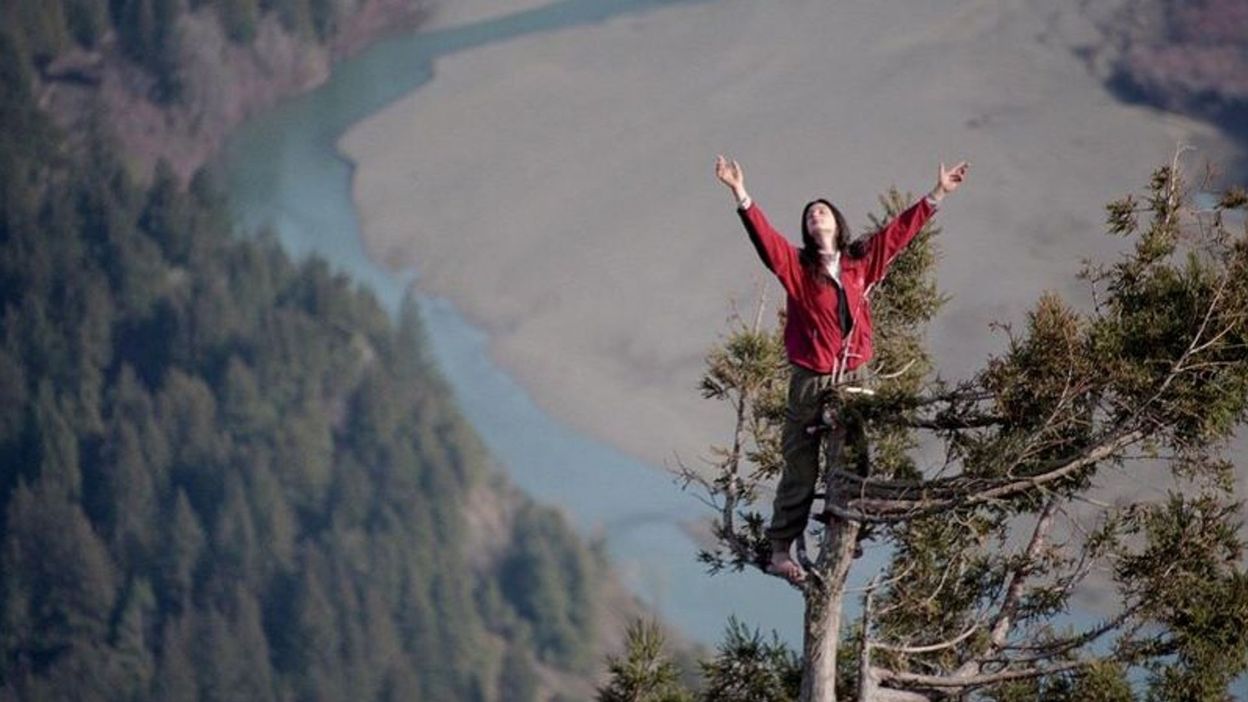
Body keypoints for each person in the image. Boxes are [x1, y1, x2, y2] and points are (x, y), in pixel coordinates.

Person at [714, 154, 968, 584]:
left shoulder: (860, 261)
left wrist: (937, 194)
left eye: (823, 211)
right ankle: (779, 550)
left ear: (836, 223)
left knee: (854, 457)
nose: (816, 215)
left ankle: (847, 533)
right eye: (810, 215)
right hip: (810, 376)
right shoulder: (797, 268)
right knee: (800, 464)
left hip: (855, 376)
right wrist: (740, 193)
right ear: (807, 230)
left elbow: (897, 235)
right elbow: (767, 242)